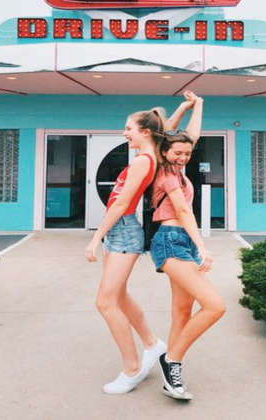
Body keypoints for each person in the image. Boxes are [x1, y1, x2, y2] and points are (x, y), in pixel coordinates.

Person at [84, 96, 196, 394]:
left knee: (105, 302)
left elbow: (121, 204)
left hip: (122, 231)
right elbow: (164, 129)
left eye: (128, 128)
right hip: (119, 232)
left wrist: (95, 237)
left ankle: (132, 368)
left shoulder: (145, 160)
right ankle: (152, 344)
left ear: (144, 132)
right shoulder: (150, 153)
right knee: (118, 296)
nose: (125, 133)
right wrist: (183, 108)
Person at [150, 94, 226, 400]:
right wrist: (202, 247)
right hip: (171, 241)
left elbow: (189, 136)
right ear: (164, 151)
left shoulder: (178, 168)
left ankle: (171, 378)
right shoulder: (164, 171)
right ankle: (172, 360)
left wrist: (198, 105)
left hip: (182, 243)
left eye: (187, 153)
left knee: (182, 313)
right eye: (177, 152)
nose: (183, 157)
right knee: (215, 306)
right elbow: (182, 210)